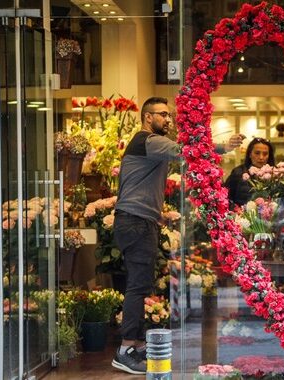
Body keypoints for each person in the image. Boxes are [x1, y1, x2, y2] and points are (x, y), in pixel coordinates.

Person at [111, 97, 244, 374]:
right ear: (147, 117)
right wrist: (222, 146)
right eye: (162, 115)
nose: (168, 120)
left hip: (138, 221)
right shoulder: (147, 140)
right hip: (136, 222)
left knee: (141, 282)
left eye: (169, 115)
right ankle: (125, 350)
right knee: (138, 285)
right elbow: (184, 151)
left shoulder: (148, 144)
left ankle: (131, 345)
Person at [224, 137, 275, 206]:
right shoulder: (238, 172)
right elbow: (226, 198)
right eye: (257, 153)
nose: (261, 157)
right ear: (250, 154)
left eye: (265, 154)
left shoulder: (275, 174)